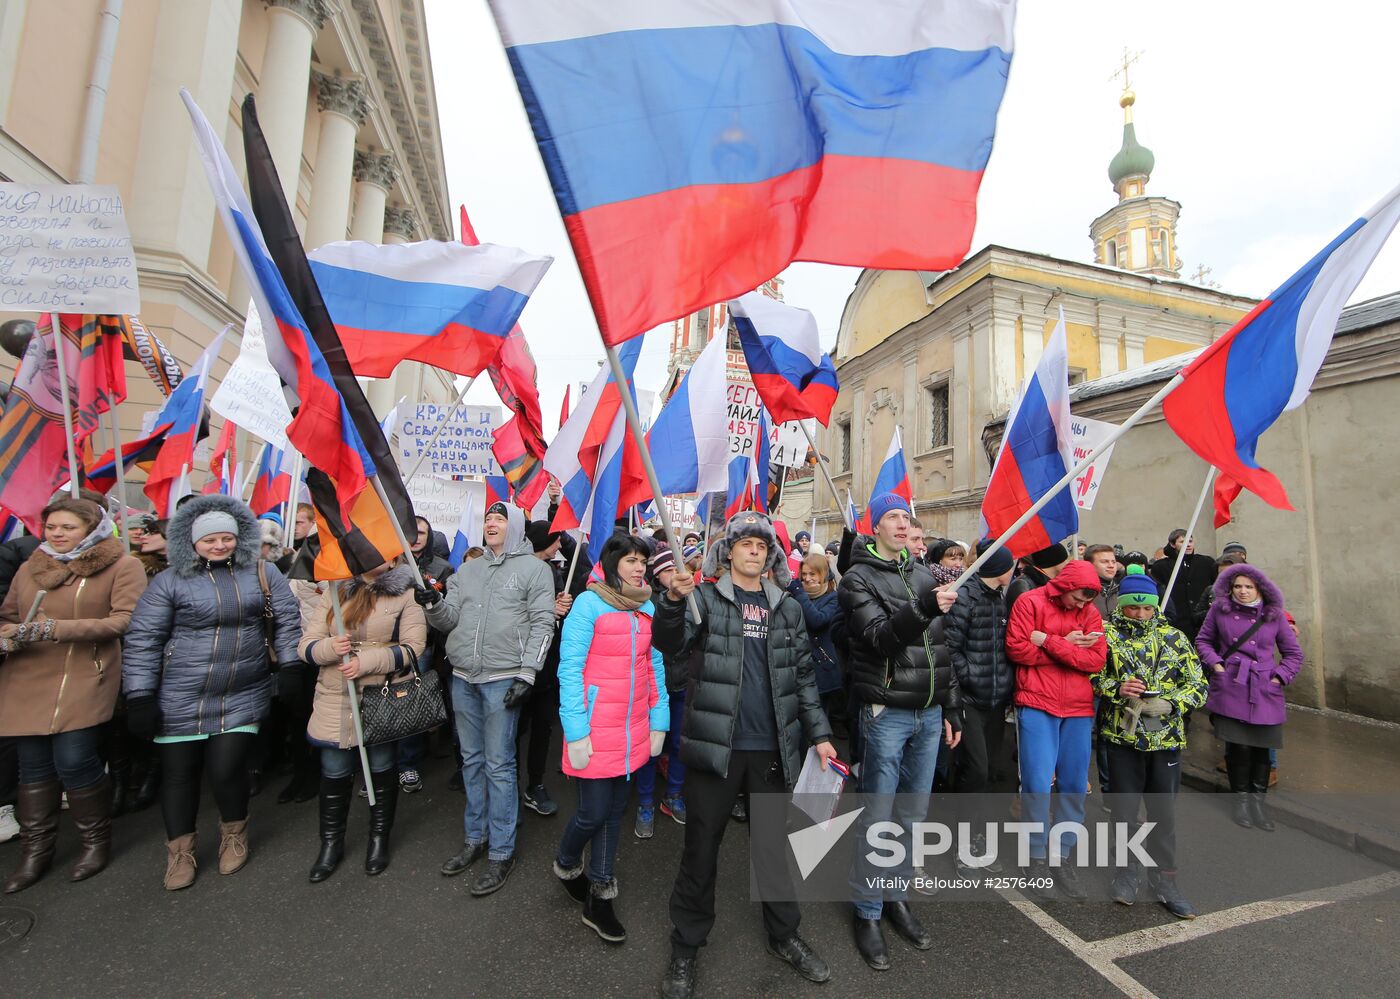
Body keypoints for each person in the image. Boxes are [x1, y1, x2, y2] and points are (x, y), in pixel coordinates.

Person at [654, 512, 838, 999]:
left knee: (772, 851)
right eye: (746, 544)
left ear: (770, 555)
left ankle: (784, 936)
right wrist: (673, 600)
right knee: (700, 850)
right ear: (728, 552)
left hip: (772, 750)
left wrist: (819, 733)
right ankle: (686, 946)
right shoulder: (705, 599)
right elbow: (668, 643)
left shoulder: (787, 608)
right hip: (717, 749)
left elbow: (802, 679)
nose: (755, 550)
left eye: (762, 544)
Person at [122, 494, 302, 890]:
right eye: (210, 540)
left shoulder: (262, 573)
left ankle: (234, 833)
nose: (220, 545)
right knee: (180, 775)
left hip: (243, 689)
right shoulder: (170, 581)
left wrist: (290, 664)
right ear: (192, 541)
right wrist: (139, 694)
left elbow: (288, 620)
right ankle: (180, 850)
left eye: (227, 538)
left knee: (226, 771)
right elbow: (144, 639)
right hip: (180, 694)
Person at [838, 492, 959, 970]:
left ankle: (895, 897)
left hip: (928, 713)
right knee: (879, 817)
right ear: (875, 527)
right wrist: (925, 606)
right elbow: (880, 640)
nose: (904, 524)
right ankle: (867, 911)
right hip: (885, 712)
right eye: (893, 517)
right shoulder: (856, 578)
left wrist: (952, 706)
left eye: (907, 517)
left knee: (912, 816)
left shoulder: (922, 572)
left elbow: (944, 648)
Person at [0, 497, 146, 893]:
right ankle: (36, 852)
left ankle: (95, 843)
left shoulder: (121, 565)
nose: (58, 534)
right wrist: (8, 635)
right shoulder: (33, 567)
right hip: (28, 675)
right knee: (32, 768)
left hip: (84, 672)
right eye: (51, 527)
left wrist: (56, 629)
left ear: (92, 528)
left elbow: (126, 619)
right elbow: (10, 616)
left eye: (68, 528)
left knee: (75, 760)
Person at [419, 501, 555, 896]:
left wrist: (527, 673)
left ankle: (501, 850)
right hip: (463, 678)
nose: (491, 523)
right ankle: (474, 838)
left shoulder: (535, 570)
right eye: (488, 519)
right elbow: (450, 621)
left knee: (498, 764)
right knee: (472, 761)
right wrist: (432, 605)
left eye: (499, 519)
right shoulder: (468, 569)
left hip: (503, 680)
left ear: (514, 526)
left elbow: (543, 623)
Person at [553, 535, 668, 942]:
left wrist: (659, 720)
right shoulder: (589, 604)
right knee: (593, 813)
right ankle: (567, 862)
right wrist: (577, 731)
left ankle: (600, 892)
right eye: (632, 560)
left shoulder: (647, 606)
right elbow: (569, 671)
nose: (639, 568)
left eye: (644, 561)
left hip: (633, 728)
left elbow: (655, 667)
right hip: (595, 729)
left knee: (614, 812)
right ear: (613, 562)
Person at [295, 558, 425, 881]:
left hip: (381, 696)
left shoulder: (407, 594)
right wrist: (329, 647)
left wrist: (365, 661)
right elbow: (305, 647)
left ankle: (378, 840)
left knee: (382, 769)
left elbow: (413, 649)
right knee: (335, 771)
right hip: (335, 697)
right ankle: (330, 844)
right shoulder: (334, 589)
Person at [1095, 566, 1208, 918]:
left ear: (1155, 606)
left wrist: (1174, 702)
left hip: (1166, 740)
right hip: (1122, 739)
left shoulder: (1174, 638)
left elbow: (1199, 684)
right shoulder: (1106, 635)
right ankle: (1126, 873)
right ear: (1122, 606)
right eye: (1133, 607)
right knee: (1125, 813)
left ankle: (1166, 880)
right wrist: (1116, 689)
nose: (1141, 614)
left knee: (1163, 814)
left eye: (1147, 608)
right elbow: (1090, 674)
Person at [1004, 556, 1106, 900]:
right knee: (1036, 783)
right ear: (1063, 586)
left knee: (1075, 785)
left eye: (1088, 599)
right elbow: (1017, 650)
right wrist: (1068, 645)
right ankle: (1034, 856)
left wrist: (1047, 640)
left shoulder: (1090, 612)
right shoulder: (1028, 601)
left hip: (1077, 707)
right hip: (1036, 702)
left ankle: (1061, 855)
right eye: (1077, 597)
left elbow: (1095, 660)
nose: (1082, 604)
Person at [1196, 564, 1302, 831]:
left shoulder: (1273, 615)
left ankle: (1258, 804)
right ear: (1229, 589)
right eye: (1237, 587)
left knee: (1262, 749)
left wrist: (1279, 677)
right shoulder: (1218, 610)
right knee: (1238, 747)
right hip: (1231, 684)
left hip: (1264, 688)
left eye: (1248, 587)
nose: (1242, 592)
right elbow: (1203, 641)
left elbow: (1293, 653)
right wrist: (1217, 665)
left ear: (1259, 589)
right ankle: (1241, 802)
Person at [943, 542, 1015, 875]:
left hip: (995, 699)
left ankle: (977, 837)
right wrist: (972, 676)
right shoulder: (966, 597)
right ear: (998, 567)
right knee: (976, 770)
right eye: (1009, 563)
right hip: (971, 699)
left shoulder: (998, 597)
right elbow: (950, 650)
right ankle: (963, 844)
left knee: (988, 775)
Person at [519, 519, 575, 817]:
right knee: (513, 731)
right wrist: (546, 611)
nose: (560, 547)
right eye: (556, 541)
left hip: (545, 668)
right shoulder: (515, 571)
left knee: (542, 729)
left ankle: (535, 785)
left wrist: (558, 612)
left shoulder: (553, 571)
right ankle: (507, 790)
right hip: (515, 667)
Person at [635, 546, 690, 838]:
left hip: (682, 684)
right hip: (653, 689)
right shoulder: (647, 604)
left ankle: (674, 795)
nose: (676, 574)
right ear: (658, 575)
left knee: (680, 744)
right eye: (669, 570)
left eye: (678, 568)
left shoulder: (693, 600)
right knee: (651, 747)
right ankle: (645, 803)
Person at [404, 515, 454, 795]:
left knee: (413, 705)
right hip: (389, 644)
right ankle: (383, 767)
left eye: (422, 532)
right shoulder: (391, 563)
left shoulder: (442, 568)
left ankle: (409, 762)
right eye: (412, 532)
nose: (417, 537)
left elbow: (447, 610)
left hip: (422, 645)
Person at [787, 552, 845, 729]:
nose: (807, 579)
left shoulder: (833, 598)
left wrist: (799, 594)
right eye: (804, 574)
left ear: (823, 574)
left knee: (817, 724)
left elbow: (817, 620)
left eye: (812, 574)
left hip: (823, 671)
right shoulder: (796, 596)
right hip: (800, 669)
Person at [1150, 530, 1217, 638]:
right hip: (1178, 623)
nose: (1188, 544)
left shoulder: (1206, 563)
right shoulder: (1161, 567)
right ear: (1172, 544)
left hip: (1203, 621)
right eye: (1182, 541)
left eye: (1190, 541)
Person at [1005, 542, 1069, 613]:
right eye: (1064, 560)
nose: (1067, 563)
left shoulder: (1052, 585)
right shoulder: (1022, 585)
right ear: (1054, 562)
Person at [1085, 544, 1123, 618]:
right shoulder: (1082, 593)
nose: (1111, 565)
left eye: (1113, 562)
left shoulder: (1121, 591)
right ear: (1090, 564)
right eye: (1104, 562)